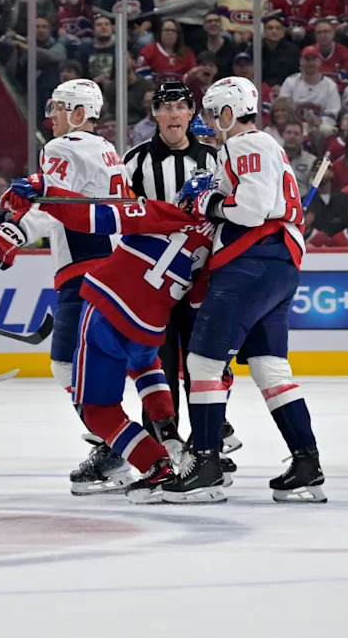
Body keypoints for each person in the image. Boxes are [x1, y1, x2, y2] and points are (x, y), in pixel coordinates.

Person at [0, 167, 218, 503]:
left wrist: (46, 189)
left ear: (187, 199)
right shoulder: (213, 249)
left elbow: (98, 214)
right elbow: (198, 301)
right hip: (150, 324)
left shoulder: (165, 212)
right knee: (146, 367)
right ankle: (169, 432)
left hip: (108, 307)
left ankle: (155, 466)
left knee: (99, 411)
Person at [164, 76, 326, 504]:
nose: (211, 122)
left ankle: (206, 465)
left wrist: (206, 203)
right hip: (277, 266)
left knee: (201, 363)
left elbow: (251, 210)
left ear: (229, 112)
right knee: (271, 369)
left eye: (214, 113)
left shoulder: (245, 145)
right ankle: (307, 463)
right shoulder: (263, 147)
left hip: (251, 264)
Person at [0, 78, 130, 496]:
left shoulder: (63, 147)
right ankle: (126, 444)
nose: (52, 116)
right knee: (106, 365)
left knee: (68, 366)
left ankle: (118, 449)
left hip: (84, 271)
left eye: (61, 108)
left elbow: (56, 205)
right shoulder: (106, 150)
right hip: (114, 268)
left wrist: (13, 233)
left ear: (81, 114)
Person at [121, 81, 218, 451]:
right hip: (154, 281)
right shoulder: (135, 161)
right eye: (166, 107)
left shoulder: (213, 159)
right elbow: (119, 214)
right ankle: (163, 448)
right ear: (155, 114)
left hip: (200, 280)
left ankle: (207, 445)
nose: (174, 114)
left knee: (201, 362)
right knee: (156, 364)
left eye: (181, 106)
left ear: (192, 112)